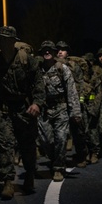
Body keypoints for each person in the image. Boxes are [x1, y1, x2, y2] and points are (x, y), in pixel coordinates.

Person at [0, 25, 45, 199]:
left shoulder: (26, 59)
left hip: (24, 109)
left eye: (6, 39)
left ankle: (30, 175)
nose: (2, 42)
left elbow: (39, 82)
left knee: (27, 145)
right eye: (0, 39)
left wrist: (37, 103)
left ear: (13, 41)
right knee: (5, 146)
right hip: (4, 109)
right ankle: (8, 181)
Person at [37, 41, 81, 182]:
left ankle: (58, 167)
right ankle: (55, 158)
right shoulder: (37, 69)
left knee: (61, 139)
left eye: (50, 50)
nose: (47, 52)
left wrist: (75, 112)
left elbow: (72, 91)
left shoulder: (62, 69)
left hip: (60, 108)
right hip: (44, 109)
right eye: (45, 50)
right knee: (45, 140)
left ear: (54, 52)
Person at [56, 40, 90, 168]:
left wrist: (79, 104)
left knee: (78, 132)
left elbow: (81, 84)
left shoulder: (73, 66)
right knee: (59, 134)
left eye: (63, 50)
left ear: (67, 53)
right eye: (58, 49)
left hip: (72, 103)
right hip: (58, 104)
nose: (60, 52)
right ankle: (59, 160)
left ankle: (82, 155)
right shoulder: (51, 64)